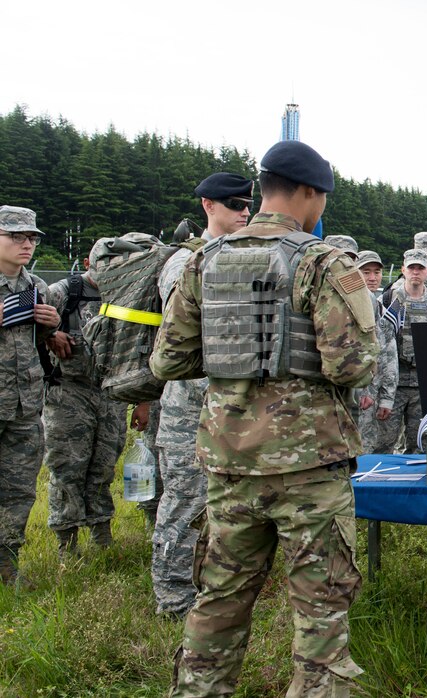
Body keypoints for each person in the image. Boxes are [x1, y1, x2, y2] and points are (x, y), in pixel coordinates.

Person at [150, 140, 379, 696]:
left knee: (219, 598)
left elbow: (168, 360)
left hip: (229, 463)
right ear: (308, 193)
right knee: (320, 612)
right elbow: (352, 367)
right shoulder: (324, 262)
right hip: (309, 467)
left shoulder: (204, 260)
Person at [150, 171, 253, 619]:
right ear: (208, 206)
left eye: (248, 206)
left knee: (223, 505)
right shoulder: (186, 262)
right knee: (184, 502)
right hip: (188, 407)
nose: (244, 213)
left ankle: (210, 589)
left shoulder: (242, 256)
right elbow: (183, 335)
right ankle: (173, 600)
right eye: (235, 206)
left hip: (227, 405)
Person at [43, 253, 128, 556]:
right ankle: (67, 545)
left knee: (104, 467)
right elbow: (29, 331)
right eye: (104, 263)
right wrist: (51, 334)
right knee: (67, 467)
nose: (111, 270)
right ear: (88, 263)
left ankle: (102, 536)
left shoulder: (125, 295)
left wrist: (141, 401)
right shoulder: (62, 293)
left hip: (110, 393)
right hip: (68, 392)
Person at [0, 205, 61, 586]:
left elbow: (35, 345)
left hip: (25, 406)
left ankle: (7, 566)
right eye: (17, 237)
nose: (27, 244)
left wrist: (51, 326)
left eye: (32, 238)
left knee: (19, 489)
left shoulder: (36, 286)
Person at [374, 249, 427, 454]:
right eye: (411, 268)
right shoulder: (389, 302)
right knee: (382, 444)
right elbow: (379, 345)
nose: (415, 272)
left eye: (420, 268)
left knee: (420, 446)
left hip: (423, 386)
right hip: (394, 385)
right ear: (403, 270)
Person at [356, 250, 399, 454]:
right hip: (347, 394)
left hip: (369, 398)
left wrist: (385, 397)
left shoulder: (380, 307)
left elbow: (387, 355)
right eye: (366, 272)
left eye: (376, 272)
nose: (372, 278)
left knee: (367, 450)